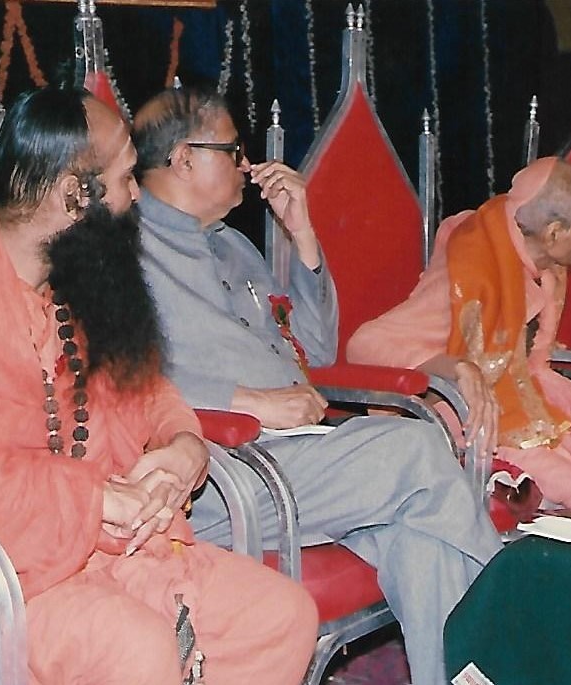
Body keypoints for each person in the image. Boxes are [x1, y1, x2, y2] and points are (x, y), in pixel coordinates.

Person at [0, 86, 318, 684]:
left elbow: (144, 388)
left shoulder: (73, 274)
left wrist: (183, 445)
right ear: (75, 195)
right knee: (138, 650)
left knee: (280, 618)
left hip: (107, 549)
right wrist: (89, 500)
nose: (136, 196)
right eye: (124, 180)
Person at [131, 86, 503, 685]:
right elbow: (118, 381)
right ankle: (522, 617)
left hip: (303, 457)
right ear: (183, 159)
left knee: (421, 542)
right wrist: (248, 403)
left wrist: (302, 235)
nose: (248, 164)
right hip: (221, 471)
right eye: (234, 150)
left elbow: (313, 353)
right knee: (416, 447)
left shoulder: (232, 246)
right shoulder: (123, 250)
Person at [347, 157, 571, 509]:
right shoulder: (466, 273)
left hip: (542, 400)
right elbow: (367, 344)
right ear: (554, 233)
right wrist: (457, 368)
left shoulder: (543, 265)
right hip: (479, 424)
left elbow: (529, 359)